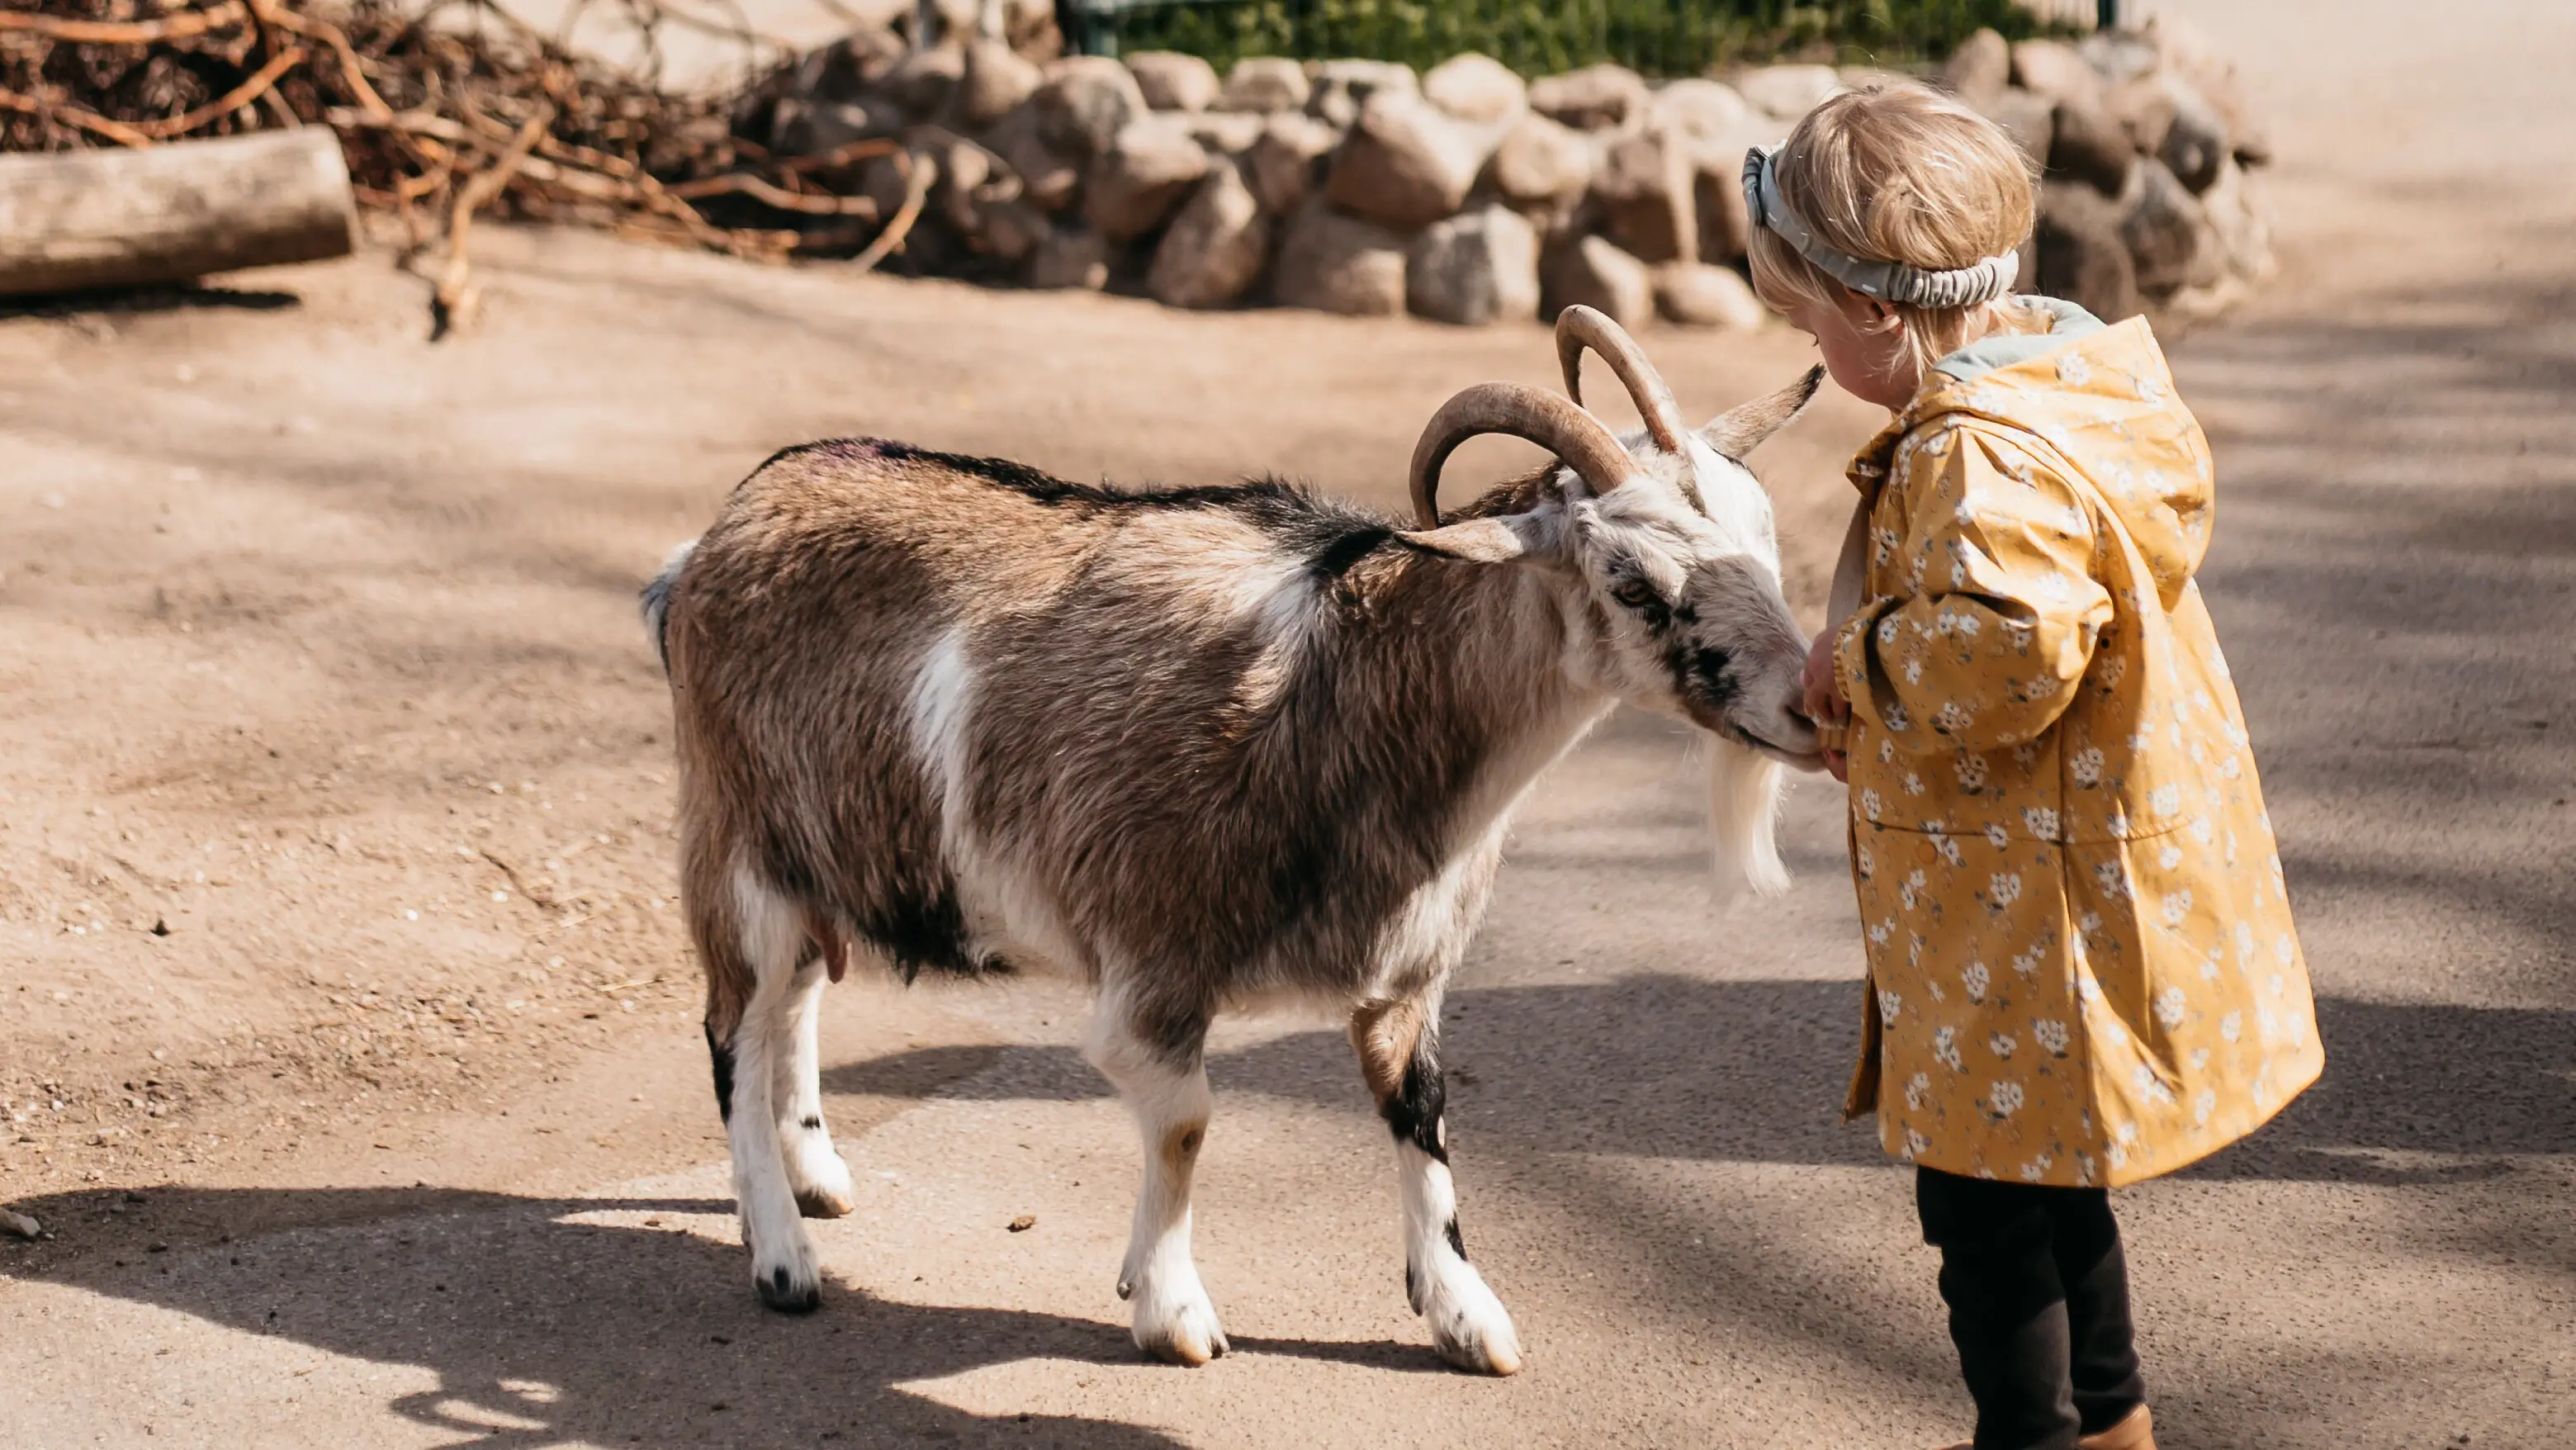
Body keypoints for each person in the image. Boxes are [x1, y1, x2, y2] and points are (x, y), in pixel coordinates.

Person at [1742, 82, 2325, 1450]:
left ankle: (2036, 1434)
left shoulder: (1974, 455)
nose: (1808, 347)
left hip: (2023, 925)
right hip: (2029, 890)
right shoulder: (2075, 382)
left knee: (1985, 1216)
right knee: (2052, 1186)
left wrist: (1863, 664)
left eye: (1806, 318)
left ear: (1876, 310)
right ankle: (2110, 1426)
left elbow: (2014, 652)